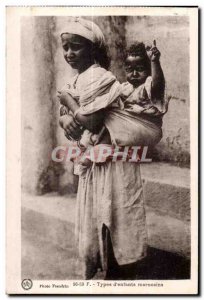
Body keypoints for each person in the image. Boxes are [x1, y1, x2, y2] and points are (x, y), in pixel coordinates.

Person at [58, 17, 148, 280]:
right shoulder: (77, 80)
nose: (69, 53)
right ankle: (111, 272)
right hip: (95, 161)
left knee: (114, 218)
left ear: (92, 49)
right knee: (98, 215)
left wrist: (70, 108)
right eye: (65, 47)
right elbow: (68, 116)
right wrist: (65, 119)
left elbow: (92, 119)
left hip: (114, 162)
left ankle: (120, 277)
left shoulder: (100, 77)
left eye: (76, 47)